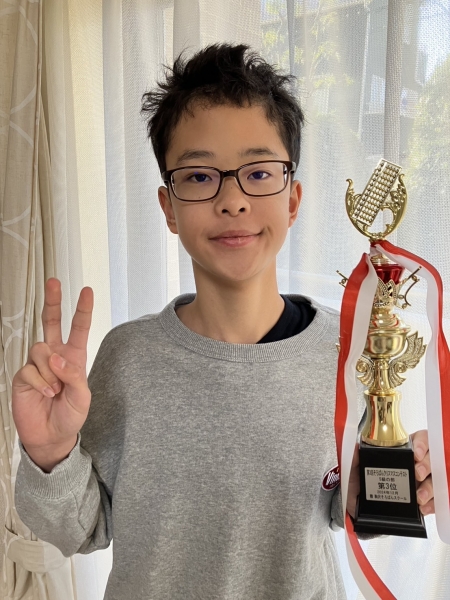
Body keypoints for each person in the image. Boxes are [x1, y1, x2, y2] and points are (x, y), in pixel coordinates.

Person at [12, 44, 434, 600]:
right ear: (168, 206)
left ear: (293, 199)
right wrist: (51, 452)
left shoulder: (348, 346)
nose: (233, 200)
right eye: (198, 176)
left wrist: (391, 490)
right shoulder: (128, 357)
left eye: (258, 172)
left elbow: (341, 508)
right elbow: (83, 527)